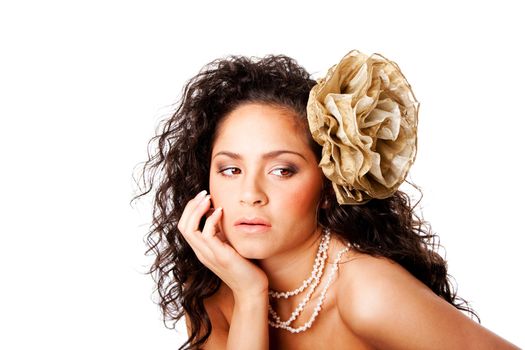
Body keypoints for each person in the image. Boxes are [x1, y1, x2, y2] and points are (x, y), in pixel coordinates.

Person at [134, 50, 519, 349]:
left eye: (282, 170)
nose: (250, 195)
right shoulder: (214, 289)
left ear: (327, 189)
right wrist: (250, 295)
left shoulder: (368, 292)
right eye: (230, 170)